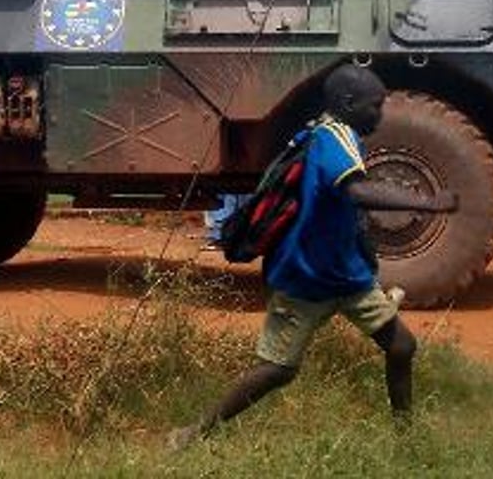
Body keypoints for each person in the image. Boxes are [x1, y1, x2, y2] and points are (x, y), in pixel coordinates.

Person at [168, 64, 457, 449]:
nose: (380, 114)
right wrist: (428, 202)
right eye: (376, 106)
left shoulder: (340, 133)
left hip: (348, 278)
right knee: (277, 370)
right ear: (348, 103)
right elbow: (357, 193)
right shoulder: (332, 138)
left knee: (402, 347)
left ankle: (406, 438)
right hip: (306, 280)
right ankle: (193, 433)